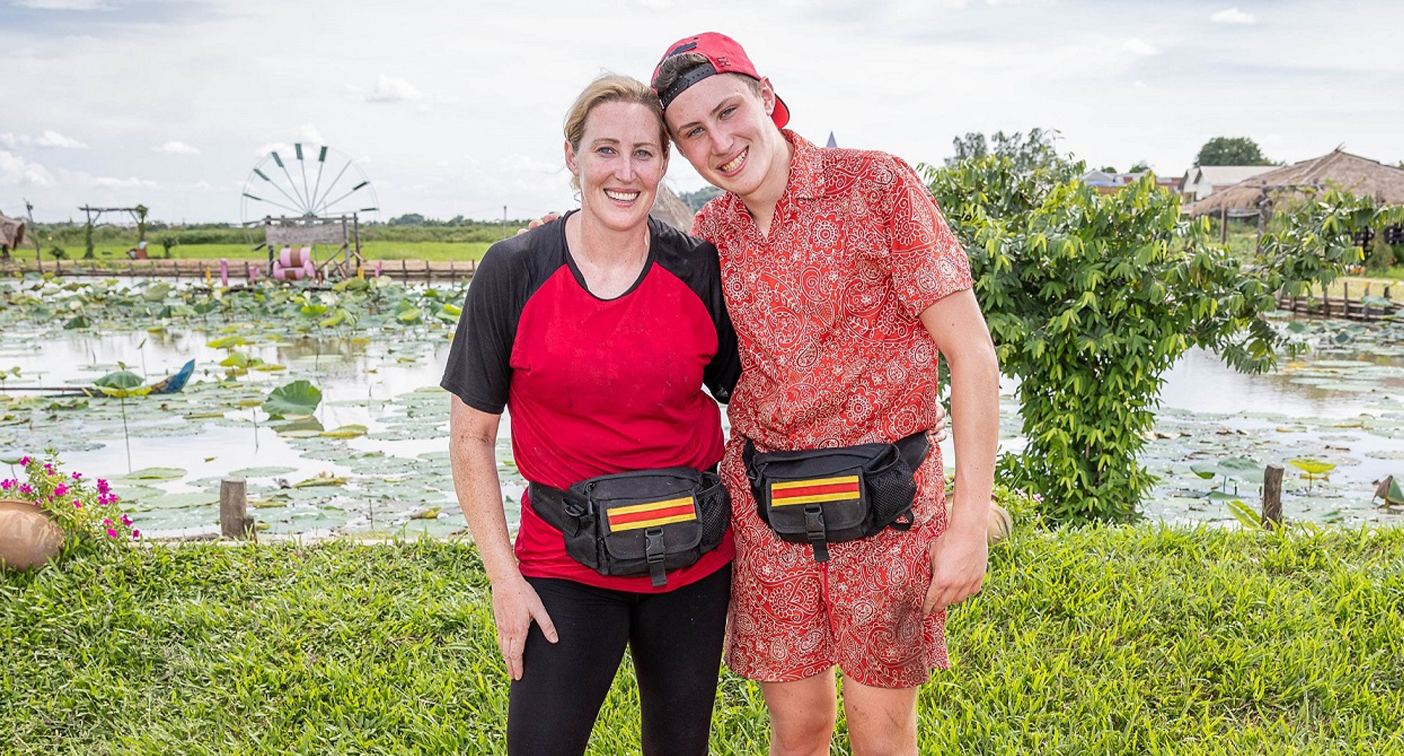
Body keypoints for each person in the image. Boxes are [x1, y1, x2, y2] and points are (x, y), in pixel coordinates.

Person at [650, 33, 1000, 755]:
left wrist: (968, 525)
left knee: (881, 734)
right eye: (693, 132)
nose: (718, 141)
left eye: (728, 111)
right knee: (800, 729)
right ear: (681, 150)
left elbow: (971, 355)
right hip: (766, 509)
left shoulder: (878, 187)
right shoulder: (710, 234)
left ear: (768, 98)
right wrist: (547, 249)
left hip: (889, 507)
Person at [442, 74, 741, 756]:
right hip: (562, 563)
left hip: (692, 559)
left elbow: (750, 395)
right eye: (606, 150)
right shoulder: (513, 269)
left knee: (679, 746)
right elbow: (470, 437)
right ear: (571, 154)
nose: (625, 172)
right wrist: (503, 579)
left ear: (665, 164)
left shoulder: (698, 268)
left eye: (644, 152)